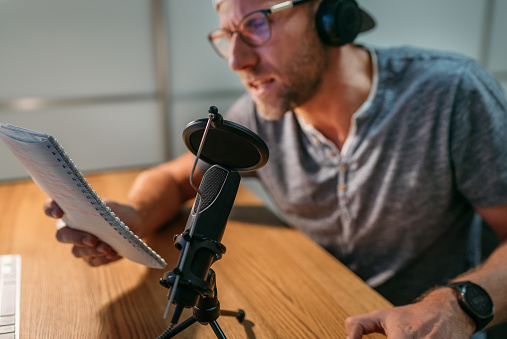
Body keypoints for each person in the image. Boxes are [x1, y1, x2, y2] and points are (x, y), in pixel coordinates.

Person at [44, 0, 507, 337]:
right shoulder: (259, 114)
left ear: (330, 16)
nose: (237, 60)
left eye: (257, 23)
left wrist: (458, 306)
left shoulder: (451, 94)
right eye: (227, 35)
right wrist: (133, 216)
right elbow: (171, 177)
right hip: (320, 310)